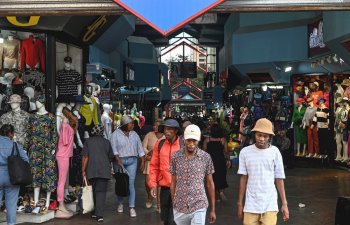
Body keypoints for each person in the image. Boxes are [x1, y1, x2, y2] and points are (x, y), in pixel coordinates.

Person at [237, 118, 289, 225]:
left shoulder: (275, 152)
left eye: (265, 136)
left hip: (270, 203)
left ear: (270, 137)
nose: (261, 139)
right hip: (251, 204)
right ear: (254, 134)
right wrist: (239, 203)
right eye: (259, 135)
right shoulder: (245, 153)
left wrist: (284, 204)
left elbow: (279, 179)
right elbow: (243, 179)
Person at [169, 124, 216, 225]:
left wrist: (212, 210)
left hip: (199, 204)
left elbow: (210, 184)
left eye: (194, 140)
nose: (191, 143)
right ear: (184, 140)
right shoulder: (175, 157)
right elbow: (173, 183)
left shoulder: (205, 157)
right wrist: (174, 204)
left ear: (198, 140)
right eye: (188, 140)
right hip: (180, 206)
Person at [148, 119, 183, 225]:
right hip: (164, 188)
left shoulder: (182, 145)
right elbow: (154, 166)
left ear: (176, 131)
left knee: (173, 220)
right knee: (165, 219)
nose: (166, 132)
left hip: (179, 188)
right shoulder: (160, 144)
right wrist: (153, 184)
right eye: (165, 129)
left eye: (169, 129)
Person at [110, 115, 145, 218]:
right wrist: (117, 159)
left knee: (131, 183)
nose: (133, 125)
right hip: (119, 160)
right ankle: (120, 203)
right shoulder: (115, 134)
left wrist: (142, 160)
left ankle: (131, 207)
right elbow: (113, 147)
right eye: (131, 123)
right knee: (121, 182)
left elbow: (140, 148)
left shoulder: (135, 134)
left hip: (132, 161)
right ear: (125, 124)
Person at [82, 124, 115, 222]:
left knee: (92, 190)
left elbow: (85, 157)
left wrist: (83, 170)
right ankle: (99, 215)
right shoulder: (107, 142)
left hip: (91, 170)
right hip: (104, 170)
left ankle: (94, 212)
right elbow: (110, 157)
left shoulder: (88, 141)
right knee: (100, 192)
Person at [0, 124, 29, 225]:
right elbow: (26, 160)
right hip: (12, 177)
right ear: (11, 134)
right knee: (11, 205)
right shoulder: (15, 145)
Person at [202, 123, 230, 202]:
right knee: (221, 176)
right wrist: (228, 160)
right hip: (220, 161)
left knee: (212, 179)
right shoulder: (223, 140)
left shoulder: (207, 140)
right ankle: (221, 191)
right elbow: (226, 151)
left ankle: (216, 197)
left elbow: (204, 153)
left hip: (210, 161)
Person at [142, 119, 165, 210]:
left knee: (160, 184)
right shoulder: (149, 135)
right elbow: (143, 147)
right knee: (148, 183)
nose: (154, 127)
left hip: (161, 163)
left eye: (157, 125)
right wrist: (148, 154)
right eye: (154, 125)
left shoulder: (165, 137)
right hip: (150, 162)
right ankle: (149, 197)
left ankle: (159, 204)